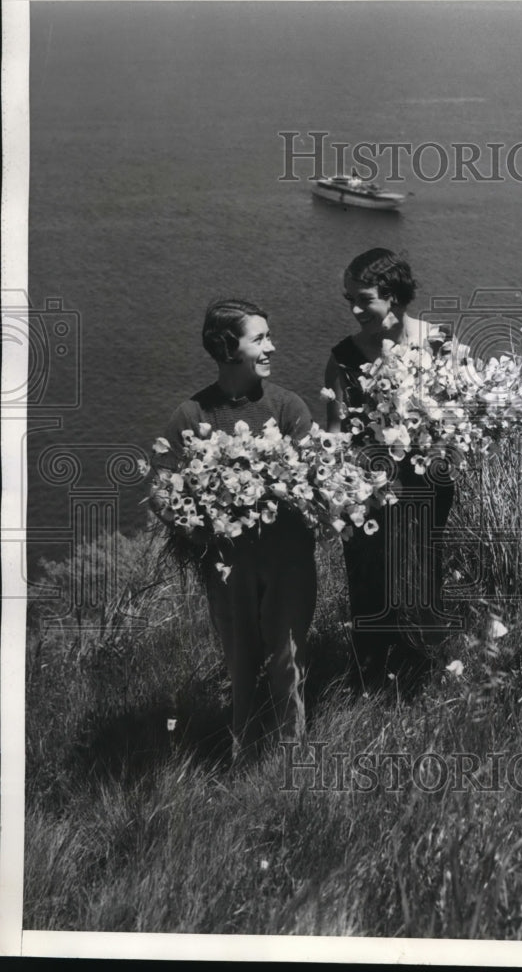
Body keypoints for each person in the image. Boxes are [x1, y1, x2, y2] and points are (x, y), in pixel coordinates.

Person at [152, 299, 317, 759]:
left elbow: (315, 478)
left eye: (269, 336)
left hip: (289, 559)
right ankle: (244, 756)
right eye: (259, 339)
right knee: (241, 665)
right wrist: (196, 531)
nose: (272, 347)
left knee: (287, 663)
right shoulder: (193, 415)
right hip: (227, 566)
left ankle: (290, 760)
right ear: (228, 348)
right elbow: (161, 491)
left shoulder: (288, 406)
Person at [324, 248, 455, 688]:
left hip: (427, 487)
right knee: (368, 586)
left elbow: (462, 420)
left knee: (423, 578)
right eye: (349, 300)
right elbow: (336, 438)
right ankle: (370, 678)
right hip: (367, 497)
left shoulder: (441, 344)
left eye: (364, 299)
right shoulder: (342, 358)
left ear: (394, 296)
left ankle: (427, 676)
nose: (355, 310)